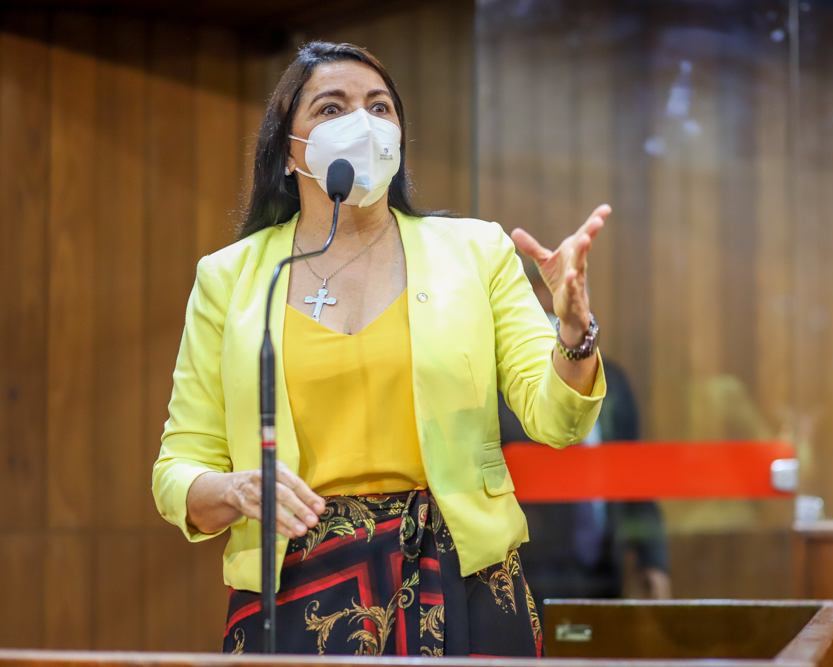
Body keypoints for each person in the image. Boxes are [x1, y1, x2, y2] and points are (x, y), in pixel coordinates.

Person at [151, 41, 608, 657]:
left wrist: (574, 334)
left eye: (379, 107)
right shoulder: (230, 278)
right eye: (331, 108)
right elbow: (178, 470)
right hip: (300, 588)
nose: (362, 124)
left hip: (462, 577)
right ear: (287, 151)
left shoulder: (476, 252)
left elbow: (556, 421)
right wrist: (236, 490)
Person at [498, 270, 669, 610]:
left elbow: (632, 473)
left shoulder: (612, 383)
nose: (555, 328)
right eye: (544, 317)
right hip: (528, 573)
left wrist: (653, 559)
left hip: (604, 571)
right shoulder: (503, 392)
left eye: (562, 318)